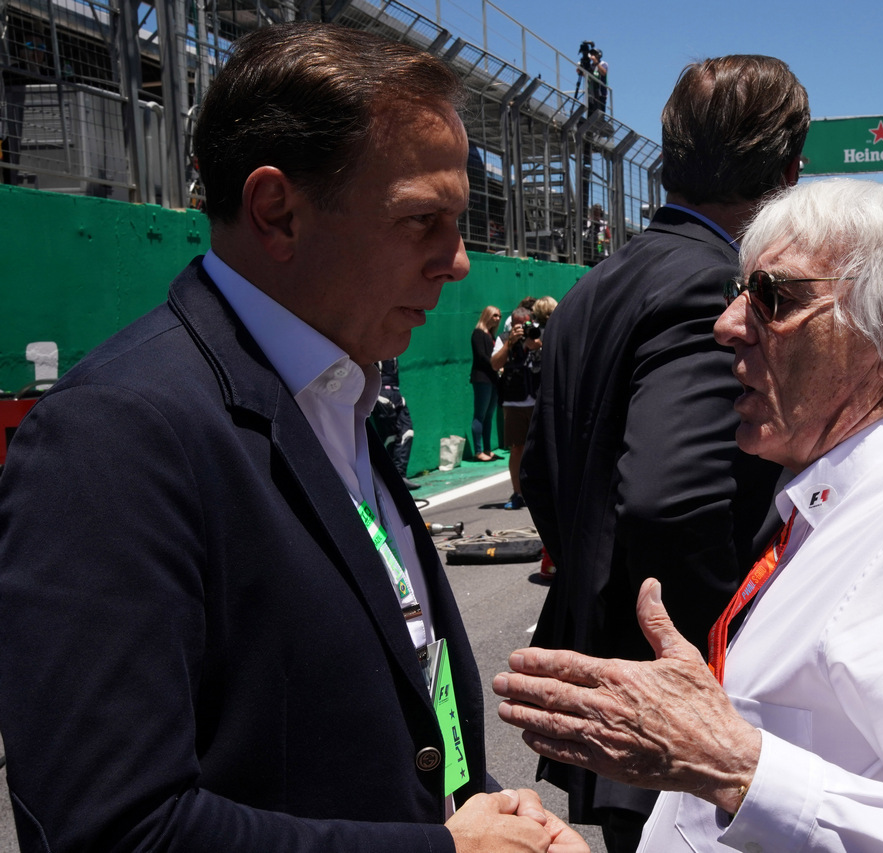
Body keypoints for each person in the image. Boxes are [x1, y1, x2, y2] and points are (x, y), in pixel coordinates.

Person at [0, 22, 585, 853]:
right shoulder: (114, 437)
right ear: (277, 211)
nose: (458, 262)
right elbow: (114, 828)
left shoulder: (339, 395)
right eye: (424, 220)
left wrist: (487, 807)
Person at [496, 179, 883, 853]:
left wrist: (732, 764)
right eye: (737, 294)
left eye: (774, 298)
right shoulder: (838, 507)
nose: (727, 326)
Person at [519, 53, 808, 852]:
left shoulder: (596, 282)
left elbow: (541, 473)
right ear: (787, 171)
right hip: (679, 697)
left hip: (621, 685)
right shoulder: (712, 283)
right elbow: (667, 498)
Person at [492, 305, 542, 510]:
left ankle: (542, 490)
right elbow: (495, 364)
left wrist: (537, 345)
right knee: (517, 448)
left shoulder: (540, 335)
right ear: (512, 325)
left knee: (542, 448)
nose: (523, 329)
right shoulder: (504, 339)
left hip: (538, 398)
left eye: (526, 324)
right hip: (514, 400)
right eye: (518, 326)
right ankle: (518, 492)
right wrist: (510, 343)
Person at [371, 356, 420, 489]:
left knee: (407, 432)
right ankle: (389, 479)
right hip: (381, 394)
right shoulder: (374, 346)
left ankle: (400, 475)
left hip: (396, 392)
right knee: (390, 436)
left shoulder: (393, 348)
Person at [470, 305, 502, 461]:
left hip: (493, 378)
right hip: (482, 378)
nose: (497, 319)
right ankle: (478, 450)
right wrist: (496, 365)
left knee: (489, 415)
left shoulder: (491, 336)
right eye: (495, 315)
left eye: (499, 316)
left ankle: (488, 449)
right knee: (480, 415)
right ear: (487, 315)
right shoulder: (478, 334)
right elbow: (482, 356)